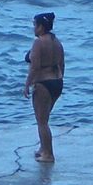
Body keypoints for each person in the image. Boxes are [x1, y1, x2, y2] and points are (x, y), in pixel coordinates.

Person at [23, 12, 64, 164]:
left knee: (42, 121)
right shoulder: (57, 41)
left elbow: (35, 67)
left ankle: (48, 154)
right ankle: (43, 148)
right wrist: (60, 80)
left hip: (43, 84)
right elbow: (62, 64)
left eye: (35, 25)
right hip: (57, 82)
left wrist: (27, 84)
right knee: (45, 119)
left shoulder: (39, 42)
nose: (33, 28)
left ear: (41, 26)